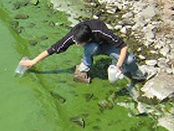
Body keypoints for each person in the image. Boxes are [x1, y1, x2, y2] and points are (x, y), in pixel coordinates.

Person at [18, 19, 146, 83]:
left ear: (88, 38)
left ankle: (136, 74)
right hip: (93, 47)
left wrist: (118, 66)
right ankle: (84, 67)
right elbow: (53, 48)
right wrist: (33, 61)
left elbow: (123, 46)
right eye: (75, 42)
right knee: (92, 48)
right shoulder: (74, 35)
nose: (76, 44)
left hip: (107, 45)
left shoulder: (100, 31)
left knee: (129, 60)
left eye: (79, 43)